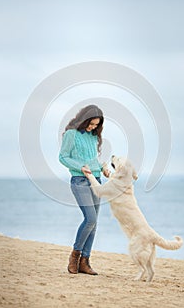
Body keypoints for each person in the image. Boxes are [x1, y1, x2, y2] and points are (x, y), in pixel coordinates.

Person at [59, 104, 110, 275]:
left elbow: (93, 159)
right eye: (91, 124)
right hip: (80, 180)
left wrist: (103, 167)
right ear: (84, 119)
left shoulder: (93, 137)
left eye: (96, 125)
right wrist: (80, 167)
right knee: (90, 219)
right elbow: (63, 157)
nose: (93, 127)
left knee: (94, 223)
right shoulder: (71, 134)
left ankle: (85, 262)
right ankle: (74, 256)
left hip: (96, 179)